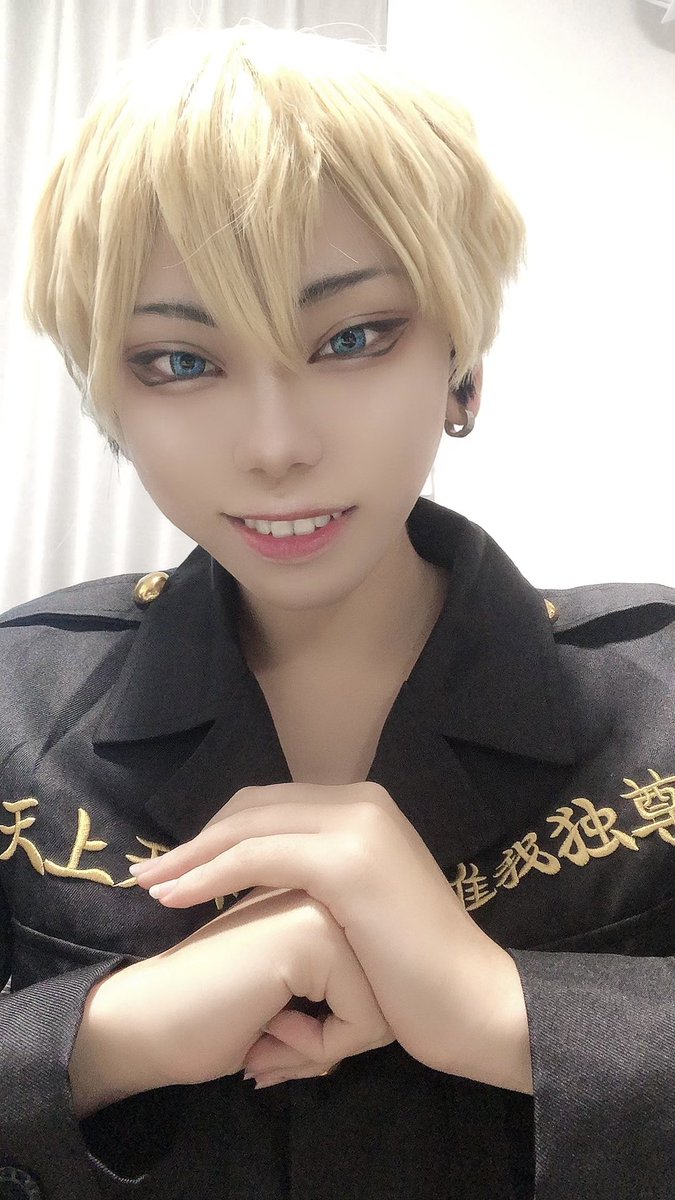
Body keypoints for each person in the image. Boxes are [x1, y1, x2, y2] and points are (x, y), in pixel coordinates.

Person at [0, 20, 673, 1200]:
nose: (276, 446)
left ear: (460, 359)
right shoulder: (18, 702)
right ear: (109, 394)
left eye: (353, 337)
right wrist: (106, 1037)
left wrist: (508, 1010)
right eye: (180, 361)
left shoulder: (658, 697)